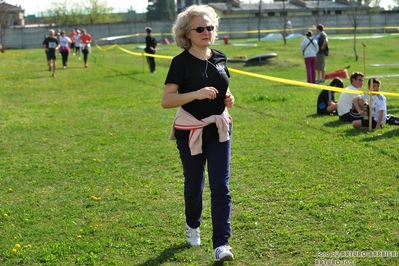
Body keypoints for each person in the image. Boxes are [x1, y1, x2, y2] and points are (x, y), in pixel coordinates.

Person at [161, 4, 235, 262]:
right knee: (194, 185)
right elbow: (167, 100)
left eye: (210, 27)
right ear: (187, 33)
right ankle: (193, 225)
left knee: (221, 186)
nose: (206, 32)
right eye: (200, 28)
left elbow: (222, 85)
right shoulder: (180, 63)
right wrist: (197, 94)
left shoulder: (220, 57)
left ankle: (221, 244)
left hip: (219, 129)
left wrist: (227, 97)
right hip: (190, 129)